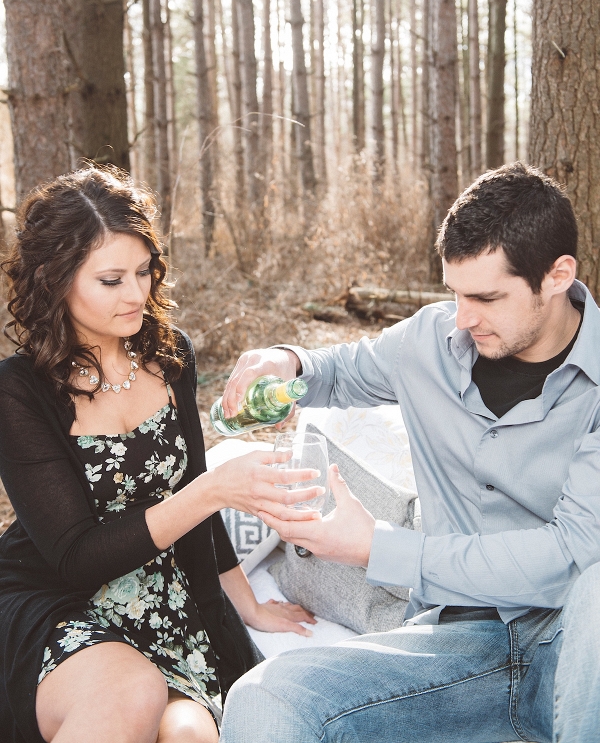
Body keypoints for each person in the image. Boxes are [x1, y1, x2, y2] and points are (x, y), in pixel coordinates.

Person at [218, 162, 600, 743]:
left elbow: (567, 559)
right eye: (454, 293)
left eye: (485, 297)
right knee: (265, 697)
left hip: (574, 646)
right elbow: (339, 372)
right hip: (456, 646)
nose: (463, 318)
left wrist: (379, 549)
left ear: (556, 276)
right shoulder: (432, 339)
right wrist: (287, 360)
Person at [0, 166, 322, 743]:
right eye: (111, 279)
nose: (137, 294)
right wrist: (211, 493)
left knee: (191, 735)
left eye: (144, 271)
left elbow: (196, 486)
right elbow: (75, 555)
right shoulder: (16, 390)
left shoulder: (170, 355)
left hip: (164, 600)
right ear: (56, 281)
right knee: (130, 696)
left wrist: (245, 604)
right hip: (59, 596)